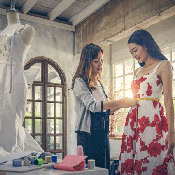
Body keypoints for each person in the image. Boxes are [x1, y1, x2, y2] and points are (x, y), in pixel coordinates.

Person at [117, 29, 175, 174]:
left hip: (152, 120)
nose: (134, 55)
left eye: (135, 50)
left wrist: (171, 131)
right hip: (133, 121)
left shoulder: (163, 65)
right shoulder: (137, 71)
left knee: (152, 160)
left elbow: (168, 99)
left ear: (146, 45)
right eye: (131, 53)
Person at [72, 43, 137, 172]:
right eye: (96, 61)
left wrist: (124, 104)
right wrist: (119, 101)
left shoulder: (99, 83)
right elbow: (93, 106)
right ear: (87, 62)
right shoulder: (79, 82)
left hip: (102, 131)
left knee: (103, 168)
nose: (100, 64)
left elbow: (108, 110)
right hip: (88, 134)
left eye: (101, 60)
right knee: (91, 170)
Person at [0, 4, 43, 157]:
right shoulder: (2, 33)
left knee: (12, 119)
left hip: (14, 79)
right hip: (1, 78)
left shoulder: (26, 30)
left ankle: (13, 155)